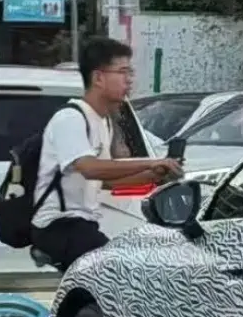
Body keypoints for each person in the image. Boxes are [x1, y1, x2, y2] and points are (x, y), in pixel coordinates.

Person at [30, 37, 182, 272]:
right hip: (58, 225)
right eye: (122, 72)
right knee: (117, 273)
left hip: (83, 225)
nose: (129, 80)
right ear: (98, 78)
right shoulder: (70, 118)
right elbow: (90, 169)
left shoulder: (102, 122)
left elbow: (106, 181)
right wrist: (151, 161)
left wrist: (154, 175)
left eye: (130, 72)